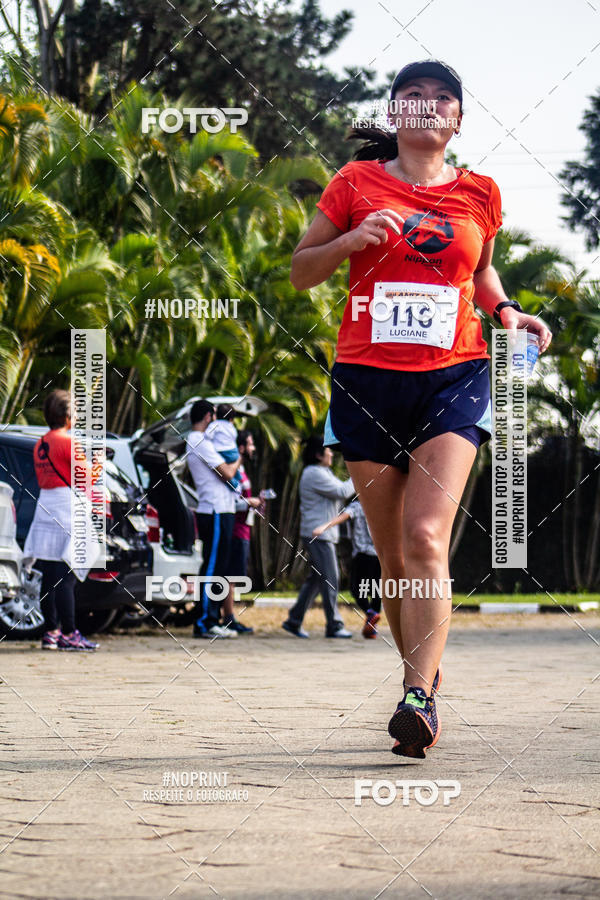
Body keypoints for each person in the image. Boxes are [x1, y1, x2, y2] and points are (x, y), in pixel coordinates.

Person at [290, 59, 552, 756]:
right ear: (394, 111)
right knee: (395, 556)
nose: (428, 104)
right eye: (413, 95)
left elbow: (482, 271)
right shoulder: (354, 183)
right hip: (367, 381)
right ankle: (425, 679)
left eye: (443, 98)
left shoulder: (480, 192)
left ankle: (416, 697)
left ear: (457, 120)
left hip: (454, 376)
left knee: (427, 538)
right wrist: (350, 240)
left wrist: (508, 311)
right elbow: (301, 270)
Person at [24, 389, 100, 651]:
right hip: (67, 509)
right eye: (75, 411)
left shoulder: (40, 443)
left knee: (49, 574)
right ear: (66, 414)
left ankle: (51, 631)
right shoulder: (68, 442)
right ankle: (69, 632)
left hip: (46, 505)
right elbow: (87, 477)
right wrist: (97, 463)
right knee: (67, 575)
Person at [282, 436, 355, 639]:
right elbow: (342, 491)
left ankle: (294, 620)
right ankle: (334, 625)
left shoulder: (322, 472)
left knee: (316, 579)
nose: (332, 453)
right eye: (328, 450)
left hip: (322, 533)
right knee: (331, 578)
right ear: (318, 455)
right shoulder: (314, 473)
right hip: (318, 534)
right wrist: (359, 474)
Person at [186, 399, 242, 639]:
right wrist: (239, 457)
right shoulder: (198, 440)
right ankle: (204, 621)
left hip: (222, 509)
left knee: (219, 567)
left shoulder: (204, 441)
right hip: (214, 510)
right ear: (209, 416)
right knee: (211, 567)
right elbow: (227, 473)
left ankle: (212, 618)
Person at [312, 498, 382, 638]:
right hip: (380, 555)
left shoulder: (358, 506)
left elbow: (342, 517)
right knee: (375, 590)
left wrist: (324, 527)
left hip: (363, 555)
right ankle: (372, 627)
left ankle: (370, 614)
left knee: (356, 589)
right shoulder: (381, 505)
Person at [221, 429, 262, 635]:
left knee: (234, 576)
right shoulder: (234, 470)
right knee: (230, 576)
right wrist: (249, 502)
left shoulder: (241, 469)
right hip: (236, 529)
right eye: (251, 444)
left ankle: (229, 616)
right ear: (241, 447)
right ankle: (228, 617)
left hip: (243, 528)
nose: (254, 448)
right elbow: (232, 501)